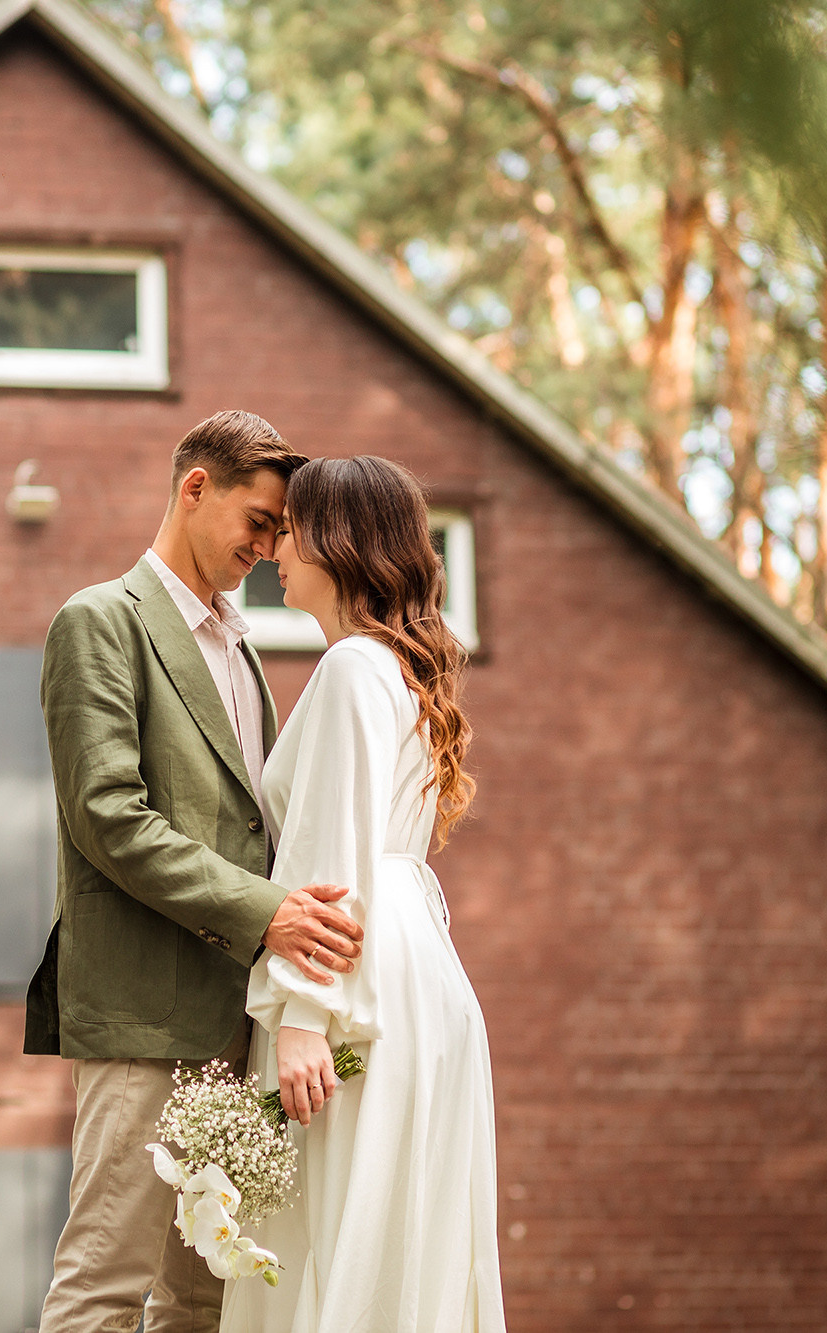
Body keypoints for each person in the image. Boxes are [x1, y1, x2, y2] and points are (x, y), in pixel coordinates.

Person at [26, 410, 367, 1333]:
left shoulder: (245, 648)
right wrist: (272, 914)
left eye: (279, 531)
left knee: (205, 1299)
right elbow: (110, 818)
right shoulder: (100, 620)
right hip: (140, 1015)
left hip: (234, 1021)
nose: (268, 544)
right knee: (104, 1283)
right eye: (257, 521)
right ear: (194, 488)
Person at [220, 455, 507, 1333]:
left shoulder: (352, 666)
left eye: (293, 527)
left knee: (336, 1232)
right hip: (416, 979)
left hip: (354, 986)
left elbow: (329, 852)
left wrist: (304, 1015)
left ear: (340, 541)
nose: (275, 547)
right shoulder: (402, 671)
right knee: (394, 1243)